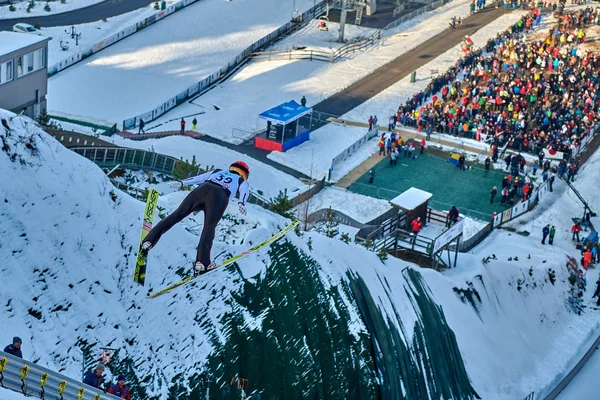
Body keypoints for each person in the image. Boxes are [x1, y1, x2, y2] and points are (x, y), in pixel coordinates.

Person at [141, 162, 250, 276]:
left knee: (176, 215)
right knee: (209, 227)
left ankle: (148, 241)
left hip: (202, 189)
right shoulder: (241, 180)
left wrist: (182, 182)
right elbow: (244, 191)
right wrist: (242, 203)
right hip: (219, 195)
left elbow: (199, 178)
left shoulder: (218, 171)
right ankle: (202, 263)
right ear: (244, 174)